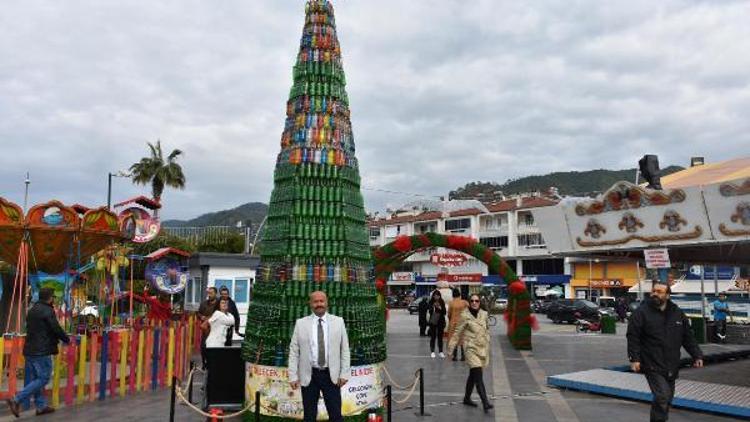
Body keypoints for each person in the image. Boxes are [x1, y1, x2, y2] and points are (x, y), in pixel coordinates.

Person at [627, 281, 703, 422]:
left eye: (659, 292)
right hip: (651, 362)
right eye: (653, 291)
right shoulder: (641, 312)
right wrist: (634, 359)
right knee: (662, 396)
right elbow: (633, 337)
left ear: (667, 295)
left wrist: (697, 355)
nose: (655, 294)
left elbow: (687, 337)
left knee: (667, 399)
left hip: (671, 363)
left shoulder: (677, 313)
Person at [6, 288, 70, 417]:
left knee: (36, 379)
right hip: (41, 350)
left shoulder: (32, 310)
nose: (54, 299)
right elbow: (55, 328)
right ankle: (16, 399)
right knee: (43, 378)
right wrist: (66, 339)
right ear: (50, 297)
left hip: (29, 349)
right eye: (53, 297)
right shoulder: (48, 311)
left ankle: (40, 406)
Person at [288, 291, 350, 422]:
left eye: (322, 301)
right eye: (315, 301)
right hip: (309, 376)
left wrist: (344, 373)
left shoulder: (339, 322)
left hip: (331, 376)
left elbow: (345, 350)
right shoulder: (301, 323)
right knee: (309, 416)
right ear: (310, 304)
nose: (319, 304)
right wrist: (293, 376)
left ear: (327, 303)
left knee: (336, 416)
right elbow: (294, 351)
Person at [448, 293, 494, 413]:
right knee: (478, 374)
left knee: (473, 375)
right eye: (472, 300)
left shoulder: (484, 314)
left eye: (477, 301)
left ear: (479, 302)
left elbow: (487, 329)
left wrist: (487, 339)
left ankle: (467, 398)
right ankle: (485, 402)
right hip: (470, 349)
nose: (474, 302)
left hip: (482, 349)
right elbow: (457, 332)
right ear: (469, 302)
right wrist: (450, 349)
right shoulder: (464, 315)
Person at [198, 287, 219, 369]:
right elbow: (199, 313)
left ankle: (213, 363)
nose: (209, 295)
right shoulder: (204, 303)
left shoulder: (218, 303)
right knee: (203, 347)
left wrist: (211, 318)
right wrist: (201, 317)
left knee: (214, 347)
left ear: (215, 293)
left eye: (211, 293)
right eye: (208, 293)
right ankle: (204, 363)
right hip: (206, 329)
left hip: (215, 329)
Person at [447, 289, 468, 361]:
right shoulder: (464, 302)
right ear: (459, 294)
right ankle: (463, 355)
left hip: (453, 324)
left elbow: (449, 314)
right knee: (462, 339)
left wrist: (451, 319)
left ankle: (455, 356)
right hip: (463, 323)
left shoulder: (451, 303)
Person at [427, 290, 447, 358]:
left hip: (440, 321)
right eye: (435, 295)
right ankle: (432, 351)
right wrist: (433, 307)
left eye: (438, 295)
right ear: (433, 296)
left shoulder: (442, 301)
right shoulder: (431, 301)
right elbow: (429, 311)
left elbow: (444, 312)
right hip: (433, 320)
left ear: (439, 296)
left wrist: (439, 307)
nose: (436, 297)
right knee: (433, 336)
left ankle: (440, 351)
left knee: (440, 337)